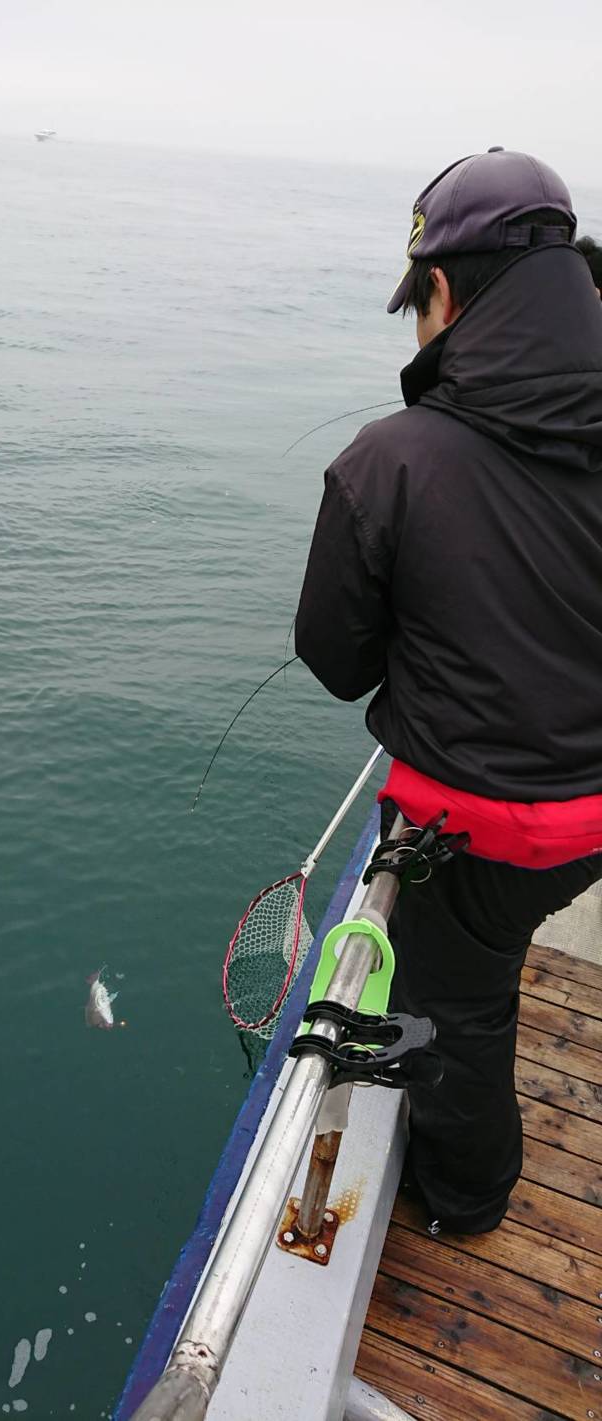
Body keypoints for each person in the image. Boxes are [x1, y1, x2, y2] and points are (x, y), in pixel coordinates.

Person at [295, 147, 602, 1235]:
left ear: (442, 294)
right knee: (494, 951)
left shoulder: (386, 460)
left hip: (480, 831)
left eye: (415, 303)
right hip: (592, 818)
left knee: (457, 1015)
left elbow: (335, 660)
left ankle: (464, 1197)